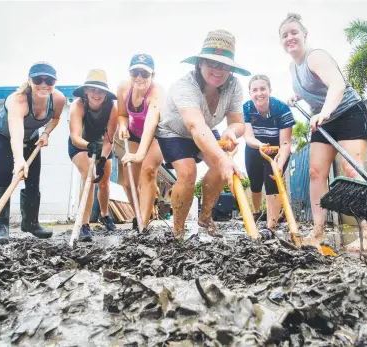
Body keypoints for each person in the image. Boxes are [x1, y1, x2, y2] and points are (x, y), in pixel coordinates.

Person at [279, 13, 367, 251]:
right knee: (315, 172)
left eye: (294, 32)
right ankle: (318, 232)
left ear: (305, 35)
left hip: (348, 113)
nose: (290, 38)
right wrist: (298, 95)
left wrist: (325, 112)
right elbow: (314, 84)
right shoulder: (293, 67)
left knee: (352, 170)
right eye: (284, 35)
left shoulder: (316, 56)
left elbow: (337, 84)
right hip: (323, 120)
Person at [155, 29, 249, 239]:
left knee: (219, 165)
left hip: (205, 129)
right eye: (212, 63)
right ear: (199, 63)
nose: (218, 69)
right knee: (188, 172)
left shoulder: (234, 86)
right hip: (174, 131)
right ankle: (178, 231)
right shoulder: (184, 86)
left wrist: (230, 131)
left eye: (224, 64)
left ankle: (206, 217)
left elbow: (238, 123)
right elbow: (195, 126)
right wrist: (223, 159)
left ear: (231, 68)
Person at [0, 62, 65, 244]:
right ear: (29, 80)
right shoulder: (18, 100)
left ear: (55, 82)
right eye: (38, 79)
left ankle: (30, 223)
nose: (44, 84)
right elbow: (16, 134)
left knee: (33, 177)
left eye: (49, 80)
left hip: (31, 137)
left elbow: (56, 118)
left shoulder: (58, 99)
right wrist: (19, 159)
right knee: (5, 171)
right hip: (0, 135)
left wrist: (45, 133)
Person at [69, 69, 118, 241]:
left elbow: (109, 140)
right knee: (89, 176)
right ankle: (84, 224)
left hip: (102, 145)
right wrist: (89, 146)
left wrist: (103, 158)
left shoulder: (112, 108)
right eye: (93, 89)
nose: (97, 94)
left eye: (101, 91)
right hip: (81, 145)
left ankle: (104, 216)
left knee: (103, 181)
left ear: (106, 94)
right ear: (86, 90)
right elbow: (75, 137)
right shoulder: (77, 105)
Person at [243, 74, 294, 237]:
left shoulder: (281, 109)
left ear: (269, 90)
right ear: (250, 93)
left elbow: (286, 143)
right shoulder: (246, 108)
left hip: (277, 151)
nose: (259, 93)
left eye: (263, 89)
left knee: (273, 183)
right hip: (254, 148)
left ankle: (270, 227)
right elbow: (249, 137)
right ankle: (257, 212)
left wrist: (279, 165)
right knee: (255, 184)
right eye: (255, 90)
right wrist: (260, 146)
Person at [118, 54, 165, 230]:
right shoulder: (123, 88)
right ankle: (139, 212)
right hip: (133, 134)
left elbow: (151, 123)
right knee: (129, 182)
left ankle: (142, 224)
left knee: (148, 170)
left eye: (144, 73)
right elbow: (122, 114)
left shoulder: (157, 93)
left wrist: (140, 154)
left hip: (156, 135)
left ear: (152, 75)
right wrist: (122, 126)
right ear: (130, 73)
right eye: (135, 72)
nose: (139, 77)